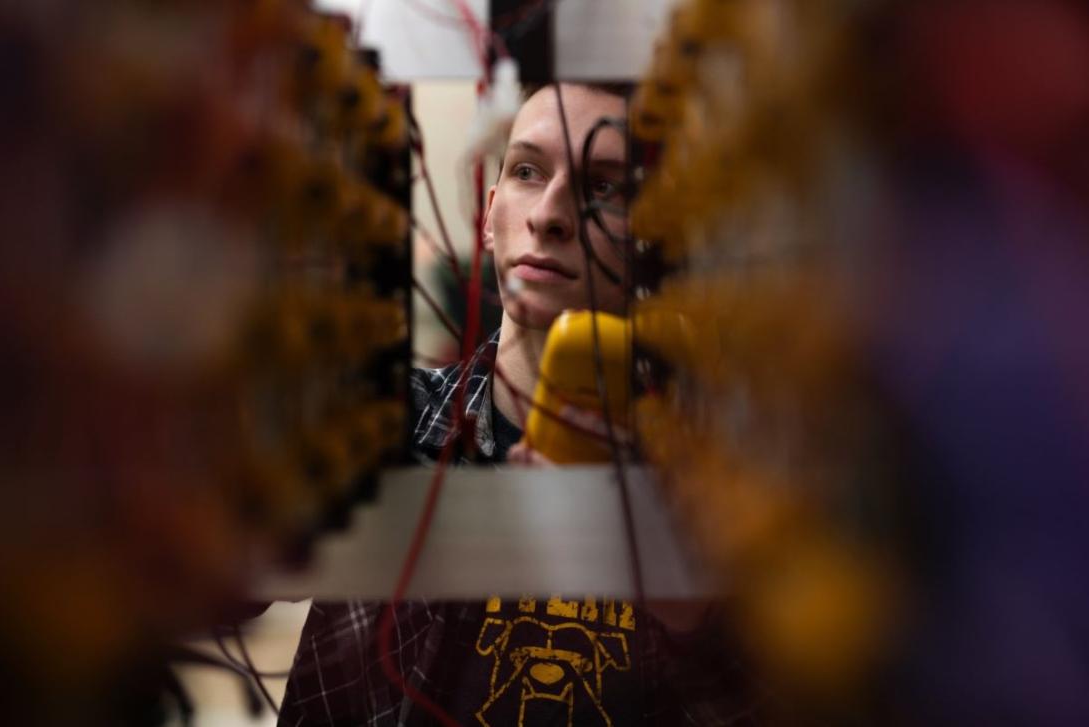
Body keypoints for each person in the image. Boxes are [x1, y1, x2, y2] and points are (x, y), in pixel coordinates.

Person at [277, 84, 760, 726]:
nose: (552, 214)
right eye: (529, 170)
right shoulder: (387, 429)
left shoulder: (720, 480)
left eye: (605, 187)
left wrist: (692, 619)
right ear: (491, 210)